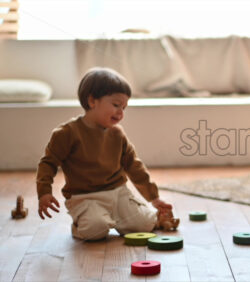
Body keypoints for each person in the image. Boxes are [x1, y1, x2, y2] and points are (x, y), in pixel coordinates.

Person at [36, 67, 172, 241]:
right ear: (92, 101)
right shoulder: (66, 133)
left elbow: (134, 166)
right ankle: (84, 225)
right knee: (95, 230)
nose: (121, 112)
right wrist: (44, 192)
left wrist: (154, 197)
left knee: (145, 224)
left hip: (118, 193)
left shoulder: (117, 134)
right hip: (85, 197)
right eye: (116, 105)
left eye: (124, 107)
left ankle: (117, 219)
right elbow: (48, 163)